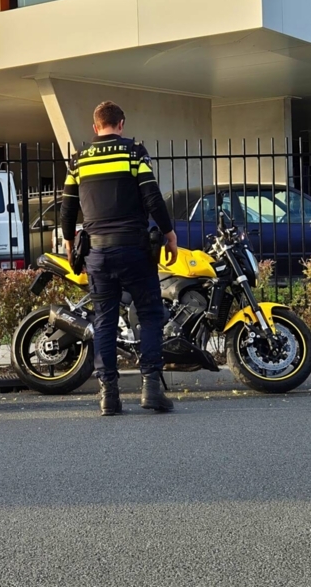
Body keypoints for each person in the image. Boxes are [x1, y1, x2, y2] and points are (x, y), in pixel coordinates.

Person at [60, 101, 178, 416]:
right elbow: (152, 197)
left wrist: (70, 243)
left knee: (104, 321)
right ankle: (151, 388)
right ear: (121, 124)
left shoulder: (79, 160)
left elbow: (68, 208)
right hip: (135, 250)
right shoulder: (134, 153)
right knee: (151, 314)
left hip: (97, 252)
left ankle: (108, 396)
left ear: (95, 126)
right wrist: (169, 234)